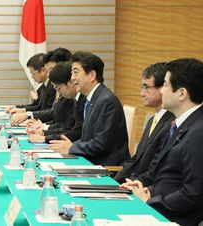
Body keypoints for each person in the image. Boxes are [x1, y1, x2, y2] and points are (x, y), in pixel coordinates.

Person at [122, 58, 203, 226]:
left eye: (165, 85)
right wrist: (145, 188)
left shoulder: (198, 132)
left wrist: (149, 202)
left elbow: (193, 193)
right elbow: (168, 176)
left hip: (173, 218)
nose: (162, 91)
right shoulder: (180, 123)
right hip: (159, 206)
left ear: (181, 93)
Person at [48, 52, 130, 166]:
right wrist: (69, 146)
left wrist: (72, 147)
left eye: (76, 72)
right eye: (72, 73)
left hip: (105, 167)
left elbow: (100, 144)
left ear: (92, 75)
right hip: (90, 160)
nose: (72, 78)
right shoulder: (93, 98)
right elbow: (88, 138)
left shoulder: (106, 101)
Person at [114, 63, 174, 183]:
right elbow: (136, 159)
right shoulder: (153, 119)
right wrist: (114, 183)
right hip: (133, 181)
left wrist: (133, 184)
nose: (142, 93)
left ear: (163, 88)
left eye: (146, 87)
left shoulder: (172, 124)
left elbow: (156, 170)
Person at [27, 61, 85, 143]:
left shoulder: (82, 100)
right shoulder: (75, 98)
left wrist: (45, 136)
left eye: (59, 88)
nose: (58, 92)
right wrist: (43, 130)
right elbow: (67, 126)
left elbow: (76, 133)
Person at [10, 48, 71, 125]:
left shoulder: (65, 90)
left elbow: (54, 115)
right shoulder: (54, 86)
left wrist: (42, 128)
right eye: (48, 70)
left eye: (51, 70)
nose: (48, 74)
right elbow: (50, 112)